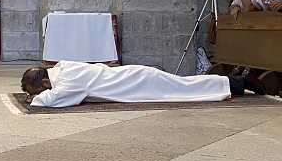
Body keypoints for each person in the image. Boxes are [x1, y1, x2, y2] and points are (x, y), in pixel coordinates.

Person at [21, 61, 266, 108]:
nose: (44, 92)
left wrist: (37, 98)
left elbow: (52, 100)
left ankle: (240, 81)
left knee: (187, 89)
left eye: (40, 89)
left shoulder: (68, 82)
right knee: (185, 86)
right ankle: (237, 80)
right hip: (136, 78)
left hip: (139, 83)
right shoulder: (63, 68)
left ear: (45, 81)